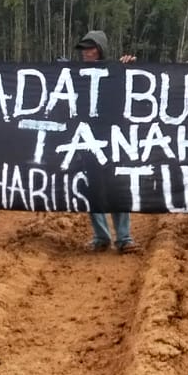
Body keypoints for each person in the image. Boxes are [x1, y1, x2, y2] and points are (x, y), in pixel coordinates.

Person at [74, 30, 139, 252]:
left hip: (113, 138)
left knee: (117, 186)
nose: (86, 53)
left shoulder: (116, 71)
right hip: (87, 139)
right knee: (93, 188)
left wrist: (127, 68)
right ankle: (101, 236)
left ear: (100, 49)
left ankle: (124, 237)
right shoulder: (76, 75)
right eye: (83, 49)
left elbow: (130, 90)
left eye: (90, 48)